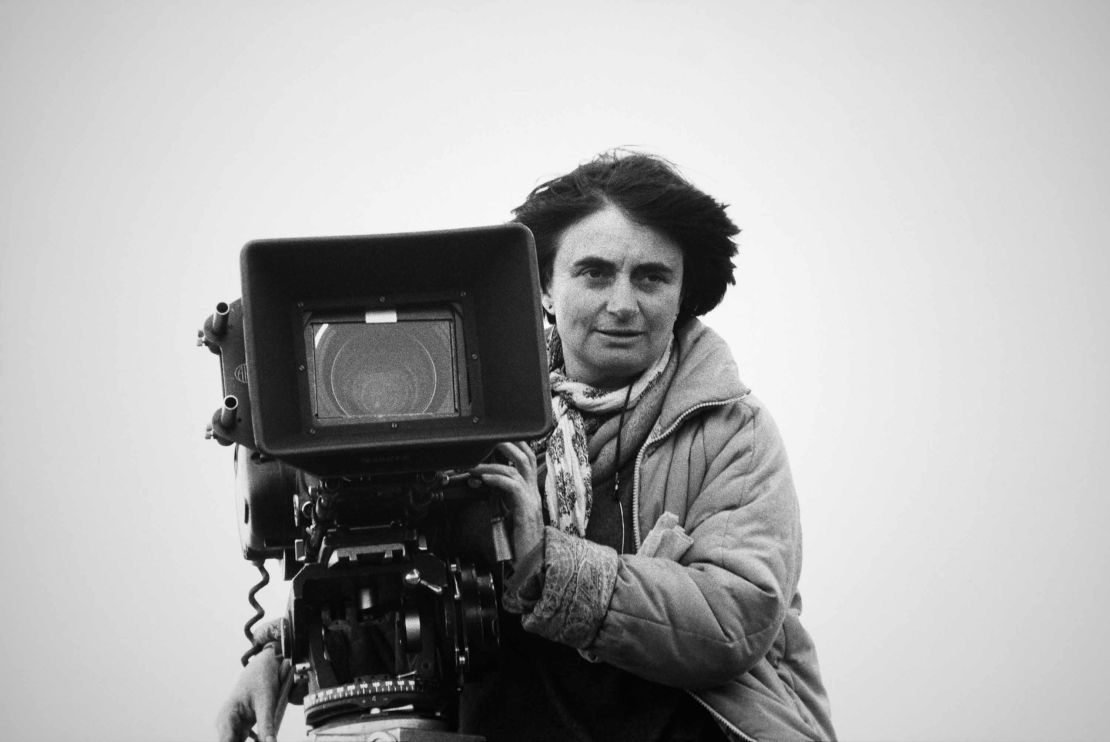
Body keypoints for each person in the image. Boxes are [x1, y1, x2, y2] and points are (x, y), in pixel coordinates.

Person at [217, 151, 835, 742]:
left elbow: (731, 621)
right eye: (594, 272)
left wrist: (545, 560)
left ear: (682, 297)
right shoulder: (470, 418)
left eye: (652, 277)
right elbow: (391, 558)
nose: (622, 303)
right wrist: (277, 653)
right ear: (541, 288)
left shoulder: (732, 429)